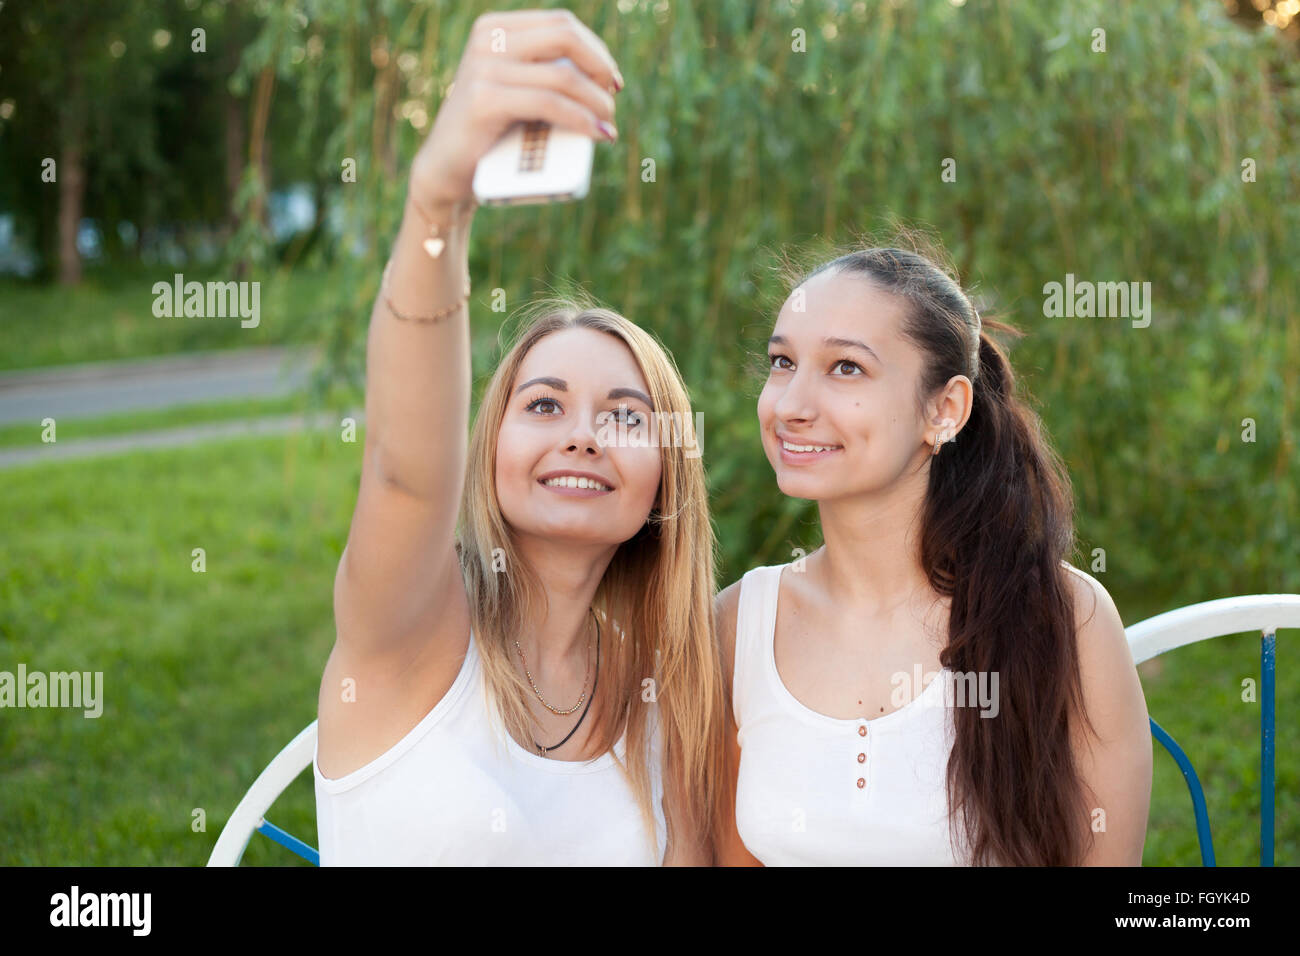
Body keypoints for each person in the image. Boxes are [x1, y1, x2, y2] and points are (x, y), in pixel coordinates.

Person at [313, 8, 724, 865]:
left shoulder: (665, 700)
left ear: (664, 479)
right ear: (488, 448)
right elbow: (404, 472)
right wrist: (439, 203)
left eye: (624, 415)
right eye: (542, 405)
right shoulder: (413, 630)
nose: (582, 436)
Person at [714, 237, 1153, 865]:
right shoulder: (738, 623)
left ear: (944, 409)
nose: (790, 405)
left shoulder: (1064, 617)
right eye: (782, 362)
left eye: (846, 368)